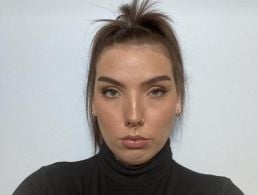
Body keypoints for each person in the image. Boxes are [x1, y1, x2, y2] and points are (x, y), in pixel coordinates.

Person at [13, 0, 244, 194]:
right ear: (93, 101)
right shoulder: (48, 189)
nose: (134, 116)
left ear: (179, 99)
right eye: (112, 92)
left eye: (156, 91)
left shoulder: (218, 193)